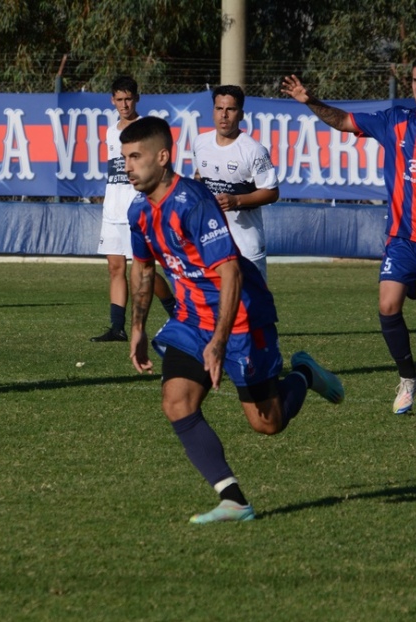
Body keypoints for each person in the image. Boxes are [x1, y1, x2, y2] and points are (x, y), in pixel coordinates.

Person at [122, 116, 344, 523]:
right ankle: (235, 500)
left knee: (268, 424)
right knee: (176, 402)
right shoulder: (139, 212)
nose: (128, 166)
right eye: (125, 158)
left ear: (163, 157)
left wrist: (220, 341)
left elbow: (232, 273)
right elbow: (144, 269)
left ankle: (304, 376)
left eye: (136, 157)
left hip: (241, 317)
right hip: (190, 321)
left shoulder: (194, 202)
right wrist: (137, 328)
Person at [282, 53, 416, 419]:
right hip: (401, 236)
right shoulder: (396, 120)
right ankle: (408, 378)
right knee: (387, 305)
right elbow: (342, 121)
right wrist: (309, 101)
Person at [91, 76, 176, 342]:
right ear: (112, 100)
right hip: (112, 207)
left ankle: (177, 312)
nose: (124, 104)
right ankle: (117, 328)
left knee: (142, 268)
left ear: (137, 98)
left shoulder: (146, 128)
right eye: (119, 99)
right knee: (115, 267)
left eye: (129, 98)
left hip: (137, 207)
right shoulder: (110, 130)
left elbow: (157, 165)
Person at [192, 85, 279, 280]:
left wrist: (236, 201)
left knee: (253, 307)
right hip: (211, 240)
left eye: (230, 109)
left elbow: (272, 192)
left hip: (246, 243)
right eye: (219, 109)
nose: (224, 115)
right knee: (216, 305)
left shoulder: (254, 150)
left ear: (241, 114)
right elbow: (200, 176)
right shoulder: (200, 143)